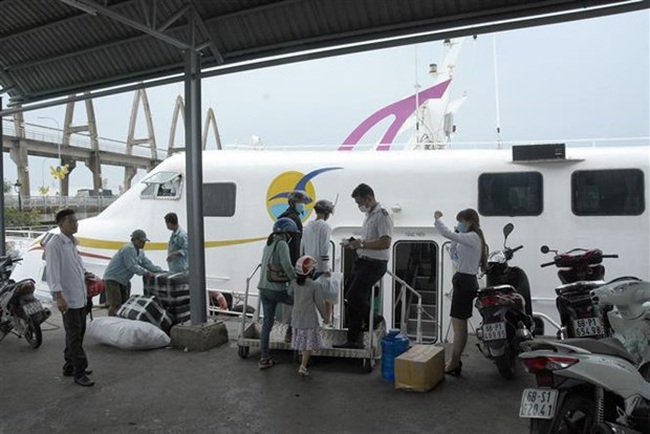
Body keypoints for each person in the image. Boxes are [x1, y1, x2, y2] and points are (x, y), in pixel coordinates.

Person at [433, 208, 488, 376]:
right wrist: (456, 233)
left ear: (469, 222)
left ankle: (454, 363)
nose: (459, 224)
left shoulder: (471, 237)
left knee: (459, 326)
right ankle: (455, 361)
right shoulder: (470, 238)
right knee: (459, 324)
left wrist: (437, 219)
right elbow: (454, 254)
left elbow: (447, 234)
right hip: (464, 281)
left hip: (464, 282)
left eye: (461, 221)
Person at [339, 183, 393, 348]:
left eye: (360, 203)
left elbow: (385, 242)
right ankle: (353, 338)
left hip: (374, 264)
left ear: (369, 199)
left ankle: (374, 320)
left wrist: (361, 245)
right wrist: (354, 243)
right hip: (362, 262)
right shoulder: (370, 214)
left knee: (355, 296)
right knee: (350, 296)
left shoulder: (382, 215)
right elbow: (369, 238)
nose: (359, 207)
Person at [45, 209, 94, 387]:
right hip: (68, 299)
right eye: (71, 221)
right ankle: (79, 372)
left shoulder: (73, 244)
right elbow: (52, 273)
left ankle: (69, 365)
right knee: (74, 336)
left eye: (76, 220)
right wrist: (58, 297)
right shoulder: (55, 245)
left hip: (80, 296)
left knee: (77, 334)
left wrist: (86, 276)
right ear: (61, 224)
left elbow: (76, 269)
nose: (76, 224)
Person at [257, 217, 299, 369]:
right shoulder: (282, 244)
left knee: (267, 324)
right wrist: (296, 278)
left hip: (263, 288)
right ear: (287, 233)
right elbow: (287, 266)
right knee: (299, 303)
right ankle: (289, 333)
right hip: (276, 289)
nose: (292, 237)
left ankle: (264, 358)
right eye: (291, 234)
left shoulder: (268, 244)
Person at [103, 229, 164, 316]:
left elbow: (147, 264)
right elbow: (131, 266)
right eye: (141, 241)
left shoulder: (140, 252)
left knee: (124, 304)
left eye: (144, 241)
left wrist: (160, 270)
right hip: (113, 279)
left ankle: (121, 322)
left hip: (123, 280)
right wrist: (146, 273)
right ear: (134, 240)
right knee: (115, 304)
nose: (143, 243)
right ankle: (112, 322)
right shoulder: (128, 249)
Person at [288, 255, 328, 377]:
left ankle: (302, 362)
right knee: (307, 345)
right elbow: (320, 303)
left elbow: (289, 293)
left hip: (296, 319)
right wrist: (325, 318)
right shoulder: (315, 285)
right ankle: (303, 366)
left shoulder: (294, 283)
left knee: (301, 342)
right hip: (309, 320)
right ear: (311, 271)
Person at [300, 199, 335, 325]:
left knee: (311, 297)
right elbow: (325, 248)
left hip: (308, 267)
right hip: (320, 267)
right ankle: (326, 322)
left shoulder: (307, 227)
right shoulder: (325, 226)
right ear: (326, 213)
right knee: (328, 297)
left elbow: (302, 247)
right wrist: (326, 269)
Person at [278, 190, 311, 265]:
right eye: (300, 202)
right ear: (292, 203)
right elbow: (295, 242)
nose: (303, 205)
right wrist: (296, 262)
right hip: (291, 257)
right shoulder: (293, 218)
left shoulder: (285, 216)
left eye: (303, 202)